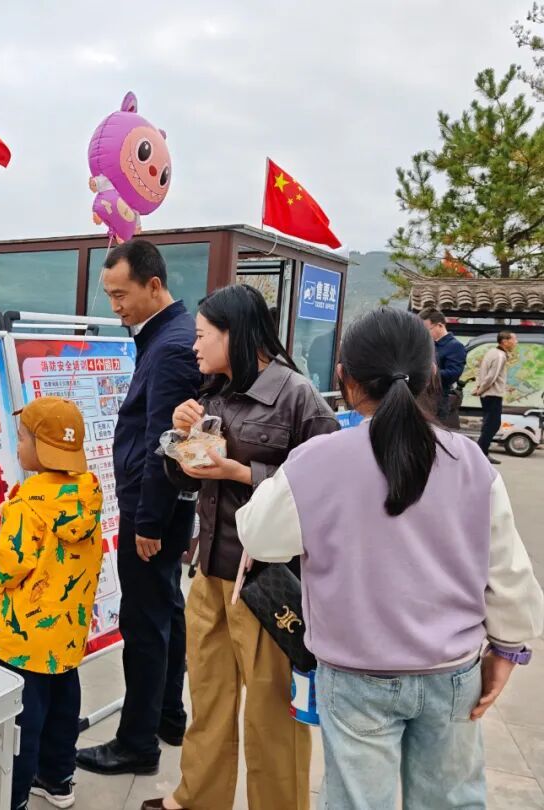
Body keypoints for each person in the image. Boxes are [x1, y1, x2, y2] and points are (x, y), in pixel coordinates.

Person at [235, 307, 544, 809]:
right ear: (430, 375)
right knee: (452, 801)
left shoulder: (319, 460)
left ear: (345, 378)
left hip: (354, 675)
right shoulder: (469, 459)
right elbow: (506, 569)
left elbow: (261, 537)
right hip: (452, 672)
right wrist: (508, 650)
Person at [144, 285, 339, 810]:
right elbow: (185, 474)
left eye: (203, 335)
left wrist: (240, 472)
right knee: (208, 699)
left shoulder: (298, 397)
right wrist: (176, 437)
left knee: (273, 715)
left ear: (236, 334)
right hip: (209, 573)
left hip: (269, 584)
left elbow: (328, 489)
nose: (195, 347)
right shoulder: (211, 393)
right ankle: (197, 797)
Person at [77, 239, 202, 776]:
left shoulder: (170, 346)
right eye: (109, 295)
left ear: (154, 285)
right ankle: (168, 717)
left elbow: (162, 443)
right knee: (166, 609)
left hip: (153, 509)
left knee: (144, 622)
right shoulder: (168, 335)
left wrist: (148, 520)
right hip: (164, 505)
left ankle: (136, 744)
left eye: (121, 295)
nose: (116, 307)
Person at [0, 396, 104, 810]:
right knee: (63, 709)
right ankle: (57, 781)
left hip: (25, 639)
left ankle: (8, 797)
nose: (18, 445)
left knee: (20, 724)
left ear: (43, 448)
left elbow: (6, 568)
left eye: (23, 438)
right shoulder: (87, 491)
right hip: (68, 632)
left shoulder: (27, 505)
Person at [473, 330, 518, 463]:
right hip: (492, 394)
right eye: (514, 339)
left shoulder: (493, 352)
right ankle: (480, 453)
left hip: (489, 394)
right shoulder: (499, 355)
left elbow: (484, 373)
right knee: (492, 425)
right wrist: (480, 389)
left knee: (489, 424)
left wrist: (479, 388)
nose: (516, 342)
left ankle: (481, 453)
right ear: (505, 341)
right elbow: (491, 377)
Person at [420, 308, 467, 428]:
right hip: (421, 399)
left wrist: (433, 372)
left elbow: (454, 373)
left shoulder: (455, 346)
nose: (424, 334)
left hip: (438, 401)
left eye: (427, 330)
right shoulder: (427, 344)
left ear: (440, 326)